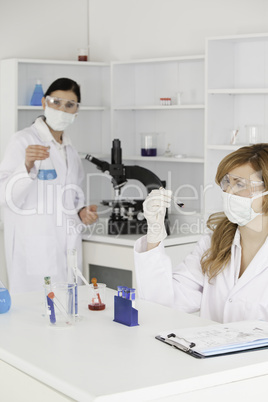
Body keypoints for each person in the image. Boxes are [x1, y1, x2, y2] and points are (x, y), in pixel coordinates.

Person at [134, 143, 268, 323]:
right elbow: (163, 304)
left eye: (240, 184)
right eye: (227, 182)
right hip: (211, 350)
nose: (228, 191)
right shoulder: (214, 243)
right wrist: (154, 236)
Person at [0, 78, 98, 293]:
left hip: (67, 245)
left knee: (69, 310)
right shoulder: (23, 141)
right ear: (44, 102)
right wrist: (26, 166)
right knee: (36, 315)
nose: (62, 109)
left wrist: (82, 211)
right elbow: (5, 196)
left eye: (70, 105)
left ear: (76, 111)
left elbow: (73, 196)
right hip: (35, 245)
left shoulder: (70, 151)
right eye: (56, 102)